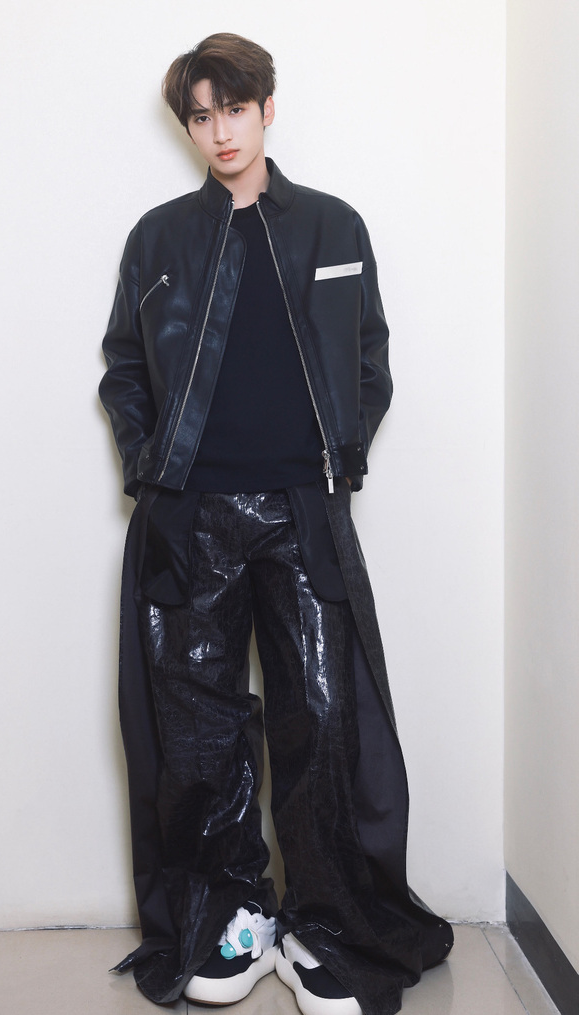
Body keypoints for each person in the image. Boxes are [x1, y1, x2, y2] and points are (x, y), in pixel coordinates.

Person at [99, 32, 453, 1015]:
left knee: (323, 722)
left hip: (303, 508)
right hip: (192, 515)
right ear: (190, 126)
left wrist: (340, 455)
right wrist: (152, 473)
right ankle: (233, 917)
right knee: (199, 731)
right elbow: (124, 369)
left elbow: (370, 358)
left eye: (234, 108)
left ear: (265, 108)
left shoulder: (333, 225)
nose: (220, 130)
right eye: (201, 115)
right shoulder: (158, 239)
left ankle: (325, 926)